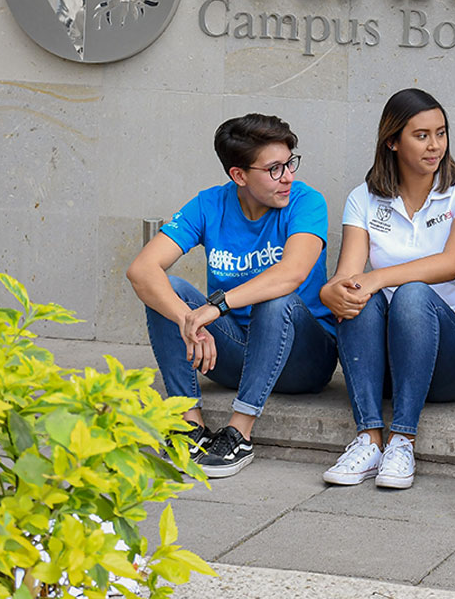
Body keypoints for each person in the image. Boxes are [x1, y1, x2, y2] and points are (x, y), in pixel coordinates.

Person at [127, 113, 338, 478]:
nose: (287, 176)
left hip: (303, 359)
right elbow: (141, 269)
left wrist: (216, 306)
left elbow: (291, 273)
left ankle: (239, 433)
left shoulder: (306, 201)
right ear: (239, 175)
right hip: (234, 353)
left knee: (276, 297)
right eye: (274, 169)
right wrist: (188, 318)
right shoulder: (209, 205)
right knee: (170, 290)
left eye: (290, 163)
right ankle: (188, 425)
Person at [319, 88, 455, 489]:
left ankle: (403, 439)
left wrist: (377, 277)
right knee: (356, 296)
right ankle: (369, 439)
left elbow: (454, 263)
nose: (435, 146)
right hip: (391, 367)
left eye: (441, 133)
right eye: (421, 135)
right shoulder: (364, 199)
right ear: (392, 141)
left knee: (410, 293)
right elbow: (347, 277)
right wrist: (332, 293)